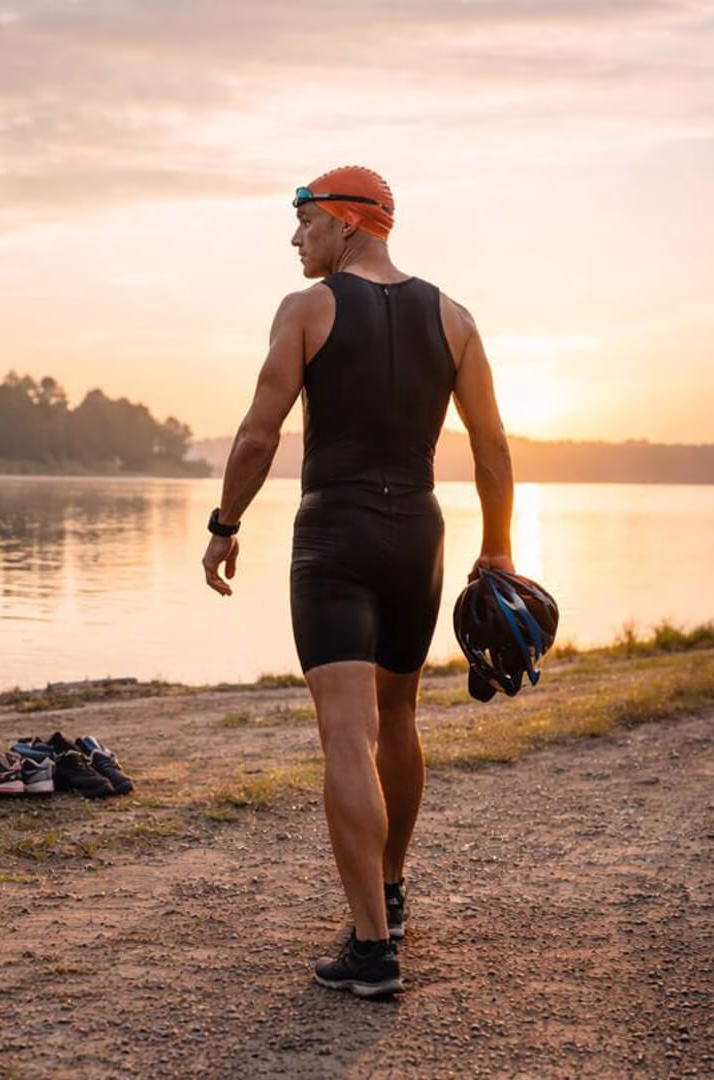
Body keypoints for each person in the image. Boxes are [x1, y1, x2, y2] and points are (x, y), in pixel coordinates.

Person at [201, 165, 516, 999]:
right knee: (399, 716)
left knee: (347, 733)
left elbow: (258, 435)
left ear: (346, 223)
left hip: (335, 532)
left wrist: (224, 525)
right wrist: (500, 550)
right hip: (418, 531)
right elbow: (491, 448)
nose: (295, 239)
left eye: (304, 223)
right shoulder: (454, 317)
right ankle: (393, 892)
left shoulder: (306, 309)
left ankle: (372, 948)